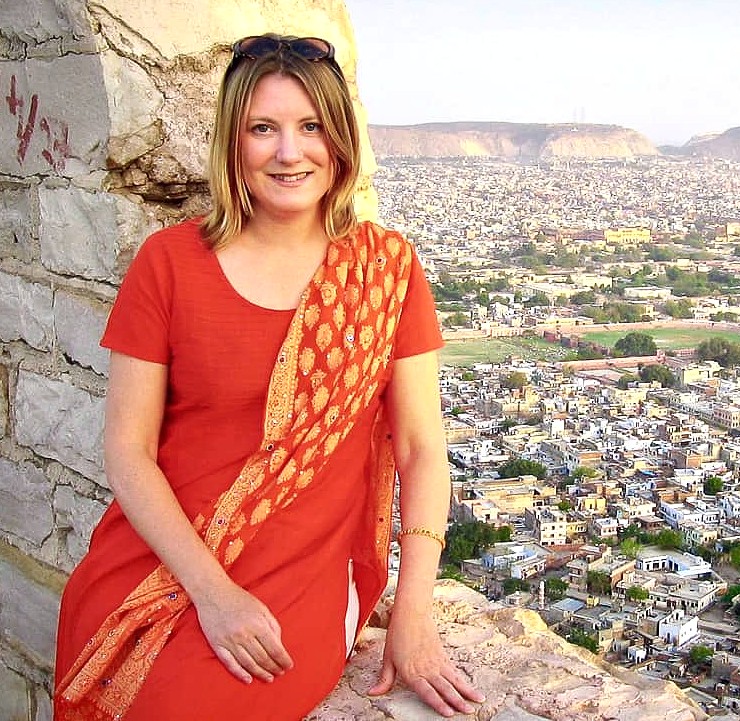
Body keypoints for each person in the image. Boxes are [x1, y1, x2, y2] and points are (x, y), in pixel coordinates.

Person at [53, 33, 484, 720]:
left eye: (310, 126)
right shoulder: (167, 264)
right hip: (162, 557)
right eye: (263, 128)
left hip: (299, 574)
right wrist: (212, 592)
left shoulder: (385, 270)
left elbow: (420, 449)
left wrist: (412, 616)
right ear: (233, 140)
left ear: (338, 138)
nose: (290, 152)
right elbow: (128, 451)